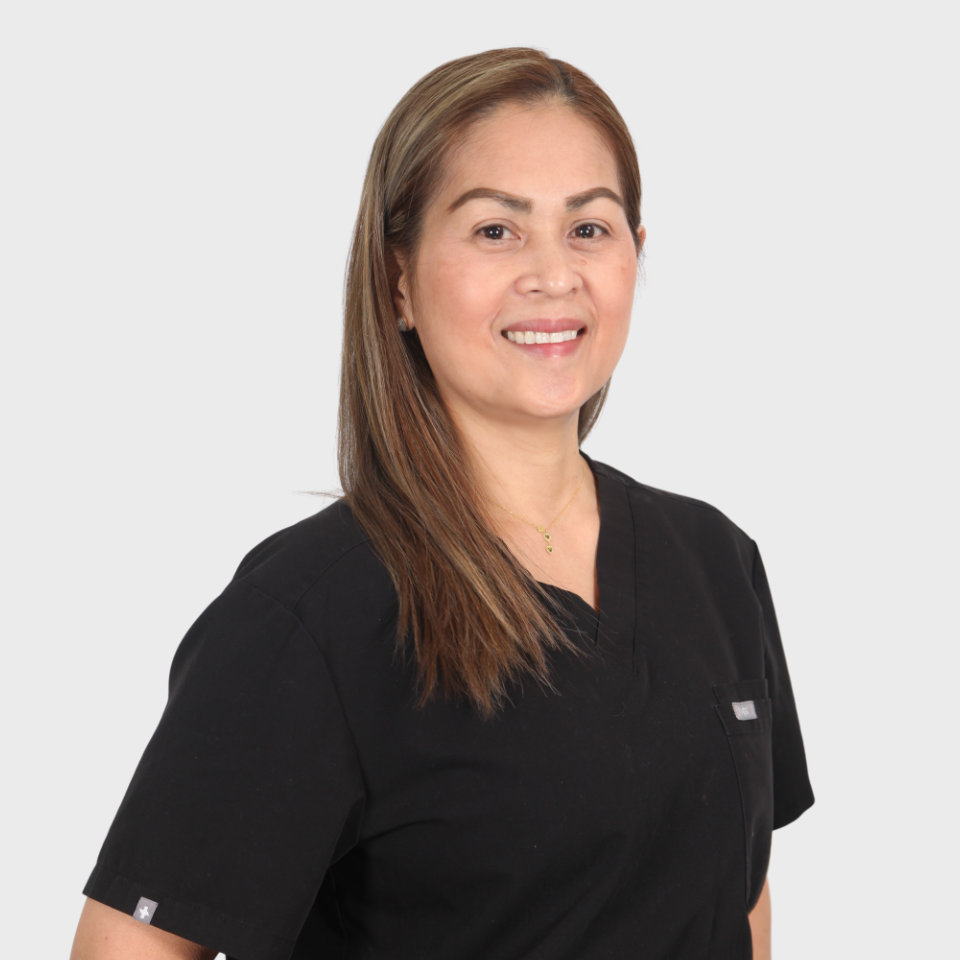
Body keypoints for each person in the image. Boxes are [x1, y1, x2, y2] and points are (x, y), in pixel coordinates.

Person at [71, 47, 813, 960]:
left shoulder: (713, 562)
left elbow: (740, 899)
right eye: (495, 232)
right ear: (398, 283)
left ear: (635, 255)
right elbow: (129, 948)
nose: (554, 274)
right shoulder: (312, 613)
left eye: (590, 229)